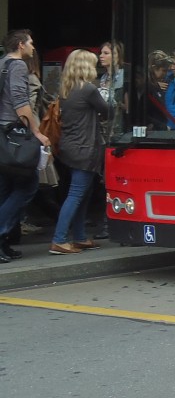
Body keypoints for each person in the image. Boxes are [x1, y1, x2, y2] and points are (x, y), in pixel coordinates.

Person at [49, 49, 113, 255]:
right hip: (84, 148)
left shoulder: (67, 88)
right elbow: (108, 110)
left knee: (82, 194)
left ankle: (79, 237)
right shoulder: (88, 89)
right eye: (93, 64)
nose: (96, 68)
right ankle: (59, 239)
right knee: (76, 194)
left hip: (69, 147)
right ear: (86, 66)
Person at [0, 30, 51, 264]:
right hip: (14, 133)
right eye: (30, 43)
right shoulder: (18, 66)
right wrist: (37, 133)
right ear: (21, 45)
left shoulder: (1, 63)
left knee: (6, 188)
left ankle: (4, 244)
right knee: (27, 185)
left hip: (2, 135)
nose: (33, 46)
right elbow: (21, 103)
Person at [144, 49, 175, 129]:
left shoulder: (156, 86)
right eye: (163, 71)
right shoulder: (146, 87)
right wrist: (161, 126)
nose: (165, 74)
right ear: (154, 68)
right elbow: (144, 114)